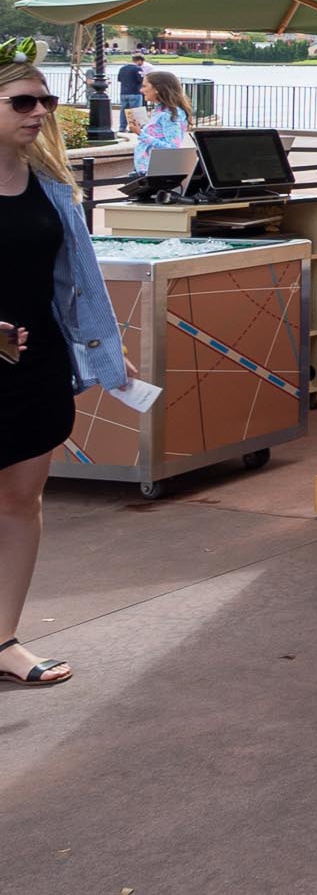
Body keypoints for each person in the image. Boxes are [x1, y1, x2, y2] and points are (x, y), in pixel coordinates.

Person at [0, 49, 136, 686]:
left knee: (22, 501)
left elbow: (76, 280)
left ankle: (4, 641)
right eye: (23, 102)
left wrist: (106, 349)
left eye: (46, 101)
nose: (40, 113)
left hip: (36, 366)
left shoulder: (51, 186)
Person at [130, 71, 192, 162]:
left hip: (157, 171)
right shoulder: (160, 109)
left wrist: (140, 134)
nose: (141, 90)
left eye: (144, 86)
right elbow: (159, 135)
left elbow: (173, 148)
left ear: (157, 88)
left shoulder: (169, 114)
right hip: (149, 169)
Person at [115, 54, 145, 134]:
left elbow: (119, 79)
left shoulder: (122, 68)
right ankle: (134, 128)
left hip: (123, 92)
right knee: (136, 111)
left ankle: (122, 127)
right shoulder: (138, 69)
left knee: (124, 110)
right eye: (142, 62)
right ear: (139, 61)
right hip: (135, 92)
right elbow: (140, 80)